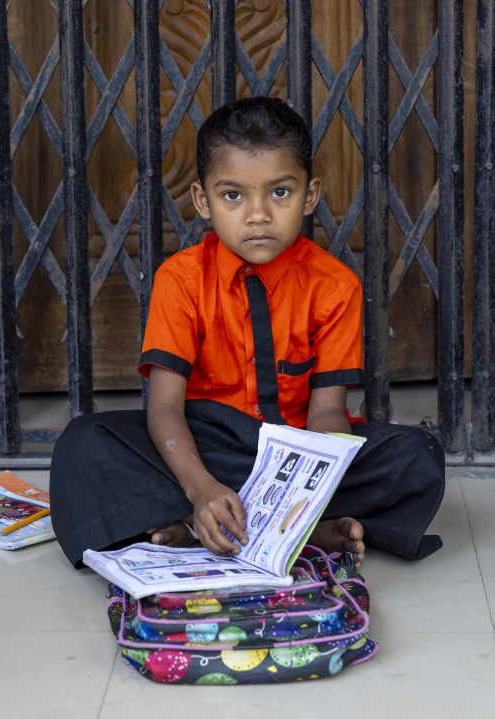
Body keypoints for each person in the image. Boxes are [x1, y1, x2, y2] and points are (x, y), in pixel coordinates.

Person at [50, 96, 445, 570]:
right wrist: (202, 487)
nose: (258, 214)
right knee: (83, 441)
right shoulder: (181, 280)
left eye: (280, 192)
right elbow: (164, 408)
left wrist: (304, 485)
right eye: (233, 195)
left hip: (299, 449)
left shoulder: (336, 285)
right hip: (207, 448)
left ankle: (250, 526)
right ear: (203, 200)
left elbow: (327, 413)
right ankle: (214, 515)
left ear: (310, 194)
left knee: (416, 455)